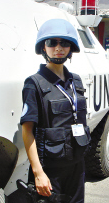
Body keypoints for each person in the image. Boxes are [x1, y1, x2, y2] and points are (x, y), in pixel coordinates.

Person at [20, 18, 90, 203]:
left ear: (71, 48)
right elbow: (27, 131)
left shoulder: (76, 81)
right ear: (44, 47)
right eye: (52, 43)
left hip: (77, 165)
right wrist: (38, 173)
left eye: (64, 43)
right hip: (51, 168)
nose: (58, 48)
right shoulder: (33, 84)